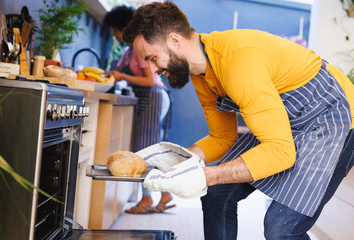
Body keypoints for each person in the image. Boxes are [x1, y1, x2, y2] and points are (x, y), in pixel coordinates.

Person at [122, 2, 354, 239]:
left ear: (174, 40)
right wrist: (174, 159)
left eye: (152, 58)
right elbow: (222, 138)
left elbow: (280, 152)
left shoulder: (237, 63)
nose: (152, 69)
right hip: (288, 122)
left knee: (280, 229)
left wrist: (203, 175)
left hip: (334, 116)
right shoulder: (201, 76)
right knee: (216, 194)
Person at [103, 6, 175, 214]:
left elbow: (148, 81)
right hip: (150, 99)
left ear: (124, 28)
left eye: (115, 31)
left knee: (145, 150)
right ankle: (163, 194)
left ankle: (148, 198)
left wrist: (122, 77)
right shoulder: (129, 51)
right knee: (146, 148)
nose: (114, 36)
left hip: (152, 98)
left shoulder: (136, 48)